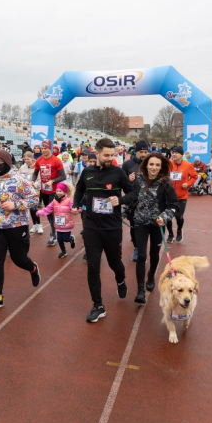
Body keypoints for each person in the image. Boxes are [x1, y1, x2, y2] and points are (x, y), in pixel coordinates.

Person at [72, 138, 136, 323]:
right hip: (91, 227)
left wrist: (121, 200)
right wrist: (77, 204)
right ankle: (98, 305)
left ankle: (121, 279)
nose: (110, 158)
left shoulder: (118, 172)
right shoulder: (87, 172)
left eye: (113, 155)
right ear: (97, 154)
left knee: (115, 262)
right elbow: (79, 190)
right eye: (106, 155)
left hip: (112, 227)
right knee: (93, 266)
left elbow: (133, 193)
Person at [0, 149, 40, 311]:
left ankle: (33, 268)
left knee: (19, 259)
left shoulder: (19, 179)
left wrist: (16, 205)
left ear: (7, 164)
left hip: (16, 226)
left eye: (1, 164)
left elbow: (34, 199)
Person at [131, 153, 178, 302]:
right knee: (141, 255)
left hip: (157, 225)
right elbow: (132, 199)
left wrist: (163, 218)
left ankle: (151, 276)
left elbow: (173, 206)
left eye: (157, 165)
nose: (154, 168)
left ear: (161, 167)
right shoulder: (138, 181)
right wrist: (123, 212)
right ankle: (140, 290)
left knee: (154, 254)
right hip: (140, 223)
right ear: (146, 165)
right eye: (151, 164)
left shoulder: (166, 184)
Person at [32, 139, 67, 247]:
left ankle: (53, 234)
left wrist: (53, 181)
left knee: (50, 210)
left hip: (54, 190)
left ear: (50, 148)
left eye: (45, 148)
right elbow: (35, 173)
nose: (43, 150)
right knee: (48, 211)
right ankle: (55, 229)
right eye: (42, 148)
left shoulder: (56, 160)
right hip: (43, 190)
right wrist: (33, 180)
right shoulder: (39, 160)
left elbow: (63, 176)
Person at [122, 140, 149, 261]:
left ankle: (144, 249)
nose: (143, 154)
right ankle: (137, 248)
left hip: (148, 202)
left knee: (146, 227)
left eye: (145, 151)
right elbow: (121, 183)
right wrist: (128, 180)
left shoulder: (151, 164)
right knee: (134, 227)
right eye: (141, 152)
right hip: (132, 202)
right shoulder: (127, 164)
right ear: (136, 151)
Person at [37, 182, 77, 258]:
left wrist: (76, 210)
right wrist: (40, 212)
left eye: (60, 191)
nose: (58, 193)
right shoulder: (54, 201)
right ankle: (63, 251)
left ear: (64, 192)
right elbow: (48, 209)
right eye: (57, 191)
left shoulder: (69, 200)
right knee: (59, 239)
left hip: (67, 223)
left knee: (65, 238)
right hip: (59, 223)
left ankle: (71, 238)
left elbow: (74, 208)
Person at [167, 147, 198, 243]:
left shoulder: (188, 165)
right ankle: (171, 234)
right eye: (173, 153)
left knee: (179, 216)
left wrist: (188, 184)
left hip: (181, 196)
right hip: (169, 196)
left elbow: (194, 176)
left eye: (176, 153)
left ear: (181, 154)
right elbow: (163, 174)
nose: (174, 154)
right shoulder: (168, 164)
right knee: (168, 217)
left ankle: (179, 230)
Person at [19, 151, 42, 235]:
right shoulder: (22, 168)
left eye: (28, 159)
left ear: (32, 158)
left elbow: (40, 180)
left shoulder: (37, 167)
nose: (26, 161)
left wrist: (35, 184)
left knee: (34, 208)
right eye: (25, 159)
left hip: (35, 191)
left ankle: (39, 224)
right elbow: (19, 178)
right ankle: (35, 224)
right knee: (28, 210)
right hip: (25, 192)